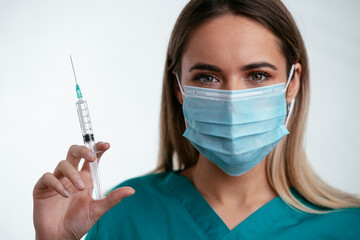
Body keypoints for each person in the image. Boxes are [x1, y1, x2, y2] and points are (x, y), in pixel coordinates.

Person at [33, 0, 360, 239]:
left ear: (292, 83)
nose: (232, 101)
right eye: (207, 78)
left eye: (257, 75)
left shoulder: (347, 227)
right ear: (178, 87)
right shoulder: (123, 213)